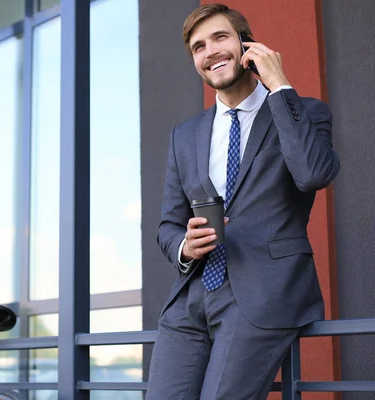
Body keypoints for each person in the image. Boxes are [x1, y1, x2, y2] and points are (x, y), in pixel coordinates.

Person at [145, 4, 340, 399]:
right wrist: (185, 246)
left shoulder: (303, 112)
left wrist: (279, 85)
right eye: (199, 47)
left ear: (245, 43)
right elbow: (168, 225)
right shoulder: (184, 136)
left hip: (263, 293)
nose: (210, 51)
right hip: (191, 298)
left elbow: (314, 174)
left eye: (220, 38)